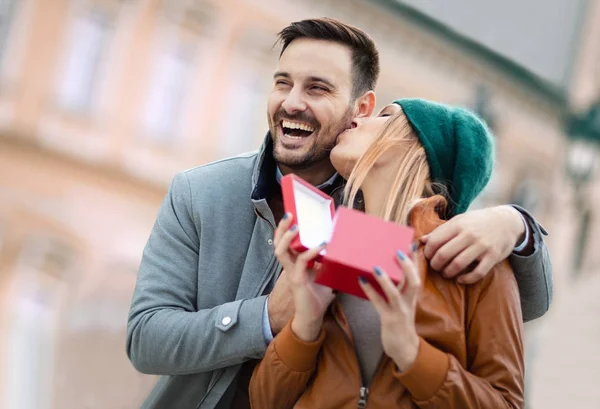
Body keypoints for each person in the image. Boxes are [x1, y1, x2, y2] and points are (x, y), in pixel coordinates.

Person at [126, 18, 551, 409]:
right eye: (282, 83)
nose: (291, 102)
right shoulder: (200, 192)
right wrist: (274, 317)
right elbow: (146, 339)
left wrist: (517, 225)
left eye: (317, 88)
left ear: (361, 111)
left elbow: (518, 307)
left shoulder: (367, 231)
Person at [249, 99, 524, 409]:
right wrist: (306, 323)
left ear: (420, 150)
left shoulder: (478, 264)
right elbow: (263, 401)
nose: (357, 119)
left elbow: (506, 403)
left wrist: (410, 351)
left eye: (385, 116)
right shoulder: (329, 242)